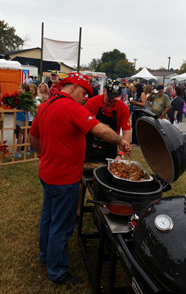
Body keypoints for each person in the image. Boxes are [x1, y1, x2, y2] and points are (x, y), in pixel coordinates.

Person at [29, 72, 130, 285]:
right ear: (73, 88)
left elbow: (33, 135)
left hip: (48, 173)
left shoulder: (46, 105)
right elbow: (99, 130)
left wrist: (42, 154)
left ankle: (46, 255)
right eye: (83, 92)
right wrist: (120, 140)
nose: (85, 98)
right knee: (62, 226)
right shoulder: (71, 107)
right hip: (64, 178)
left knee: (48, 217)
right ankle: (58, 273)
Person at [84, 79, 131, 162]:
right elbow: (82, 126)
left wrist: (121, 154)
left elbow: (126, 131)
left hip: (110, 148)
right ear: (104, 91)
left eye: (115, 99)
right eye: (109, 98)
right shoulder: (92, 103)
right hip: (90, 147)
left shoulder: (123, 108)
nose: (112, 101)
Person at [15, 83, 30, 158]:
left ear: (24, 90)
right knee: (25, 134)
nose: (18, 89)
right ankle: (27, 150)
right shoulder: (28, 98)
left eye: (20, 88)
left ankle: (18, 151)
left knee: (20, 135)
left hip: (20, 118)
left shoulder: (21, 98)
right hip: (26, 118)